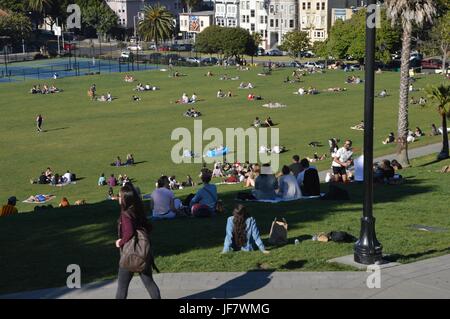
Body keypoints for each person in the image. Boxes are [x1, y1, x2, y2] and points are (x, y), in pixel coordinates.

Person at [115, 184, 161, 299]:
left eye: (120, 196)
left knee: (122, 288)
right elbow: (148, 227)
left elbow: (129, 232)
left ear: (125, 198)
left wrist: (120, 242)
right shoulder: (138, 210)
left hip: (129, 255)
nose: (118, 198)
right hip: (143, 254)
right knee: (149, 283)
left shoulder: (125, 214)